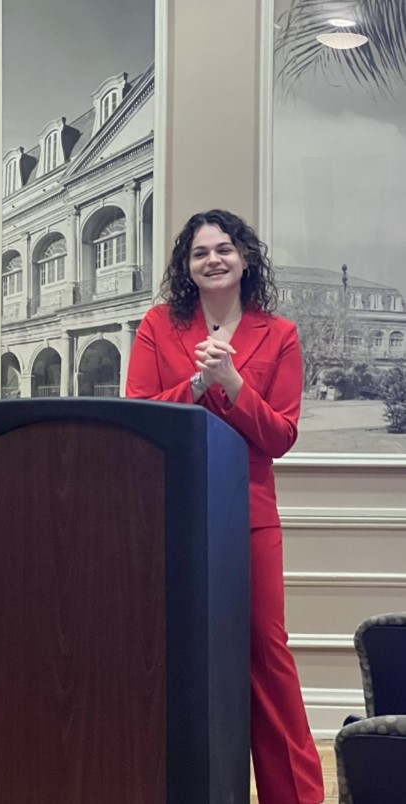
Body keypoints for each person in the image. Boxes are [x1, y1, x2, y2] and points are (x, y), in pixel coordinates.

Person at [125, 209, 324, 804]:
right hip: (168, 513)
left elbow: (281, 436)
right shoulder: (158, 325)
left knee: (266, 652)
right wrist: (194, 384)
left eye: (224, 248)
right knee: (165, 652)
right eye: (199, 252)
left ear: (245, 259)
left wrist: (234, 386)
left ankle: (297, 797)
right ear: (186, 268)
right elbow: (138, 413)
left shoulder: (279, 332)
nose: (212, 259)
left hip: (249, 514)